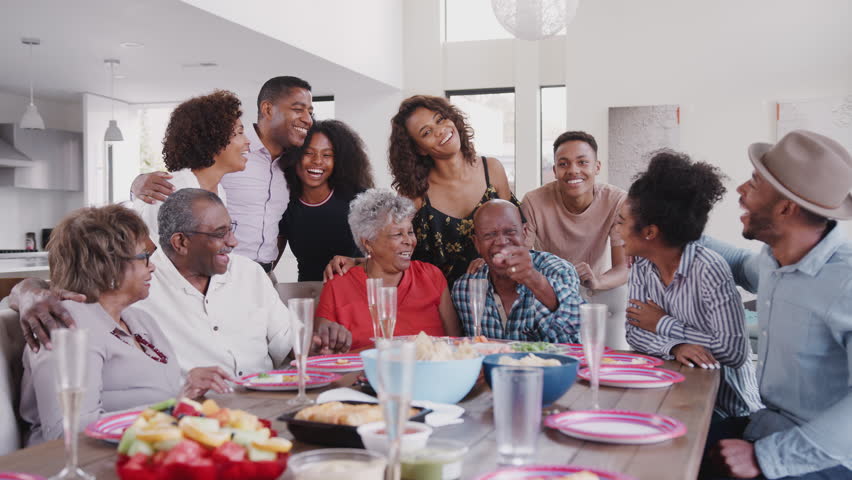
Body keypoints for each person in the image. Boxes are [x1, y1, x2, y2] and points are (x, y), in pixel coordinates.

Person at [12, 189, 351, 373]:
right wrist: (27, 292)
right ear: (180, 243)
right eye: (220, 234)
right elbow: (69, 288)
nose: (233, 242)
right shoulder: (134, 281)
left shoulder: (248, 273)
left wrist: (317, 342)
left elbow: (289, 343)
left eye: (231, 229)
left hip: (261, 402)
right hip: (192, 415)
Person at [699, 130, 852, 480]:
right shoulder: (774, 259)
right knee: (673, 443)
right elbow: (741, 265)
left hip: (826, 457)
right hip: (769, 424)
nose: (741, 190)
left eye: (753, 183)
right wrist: (681, 227)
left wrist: (766, 458)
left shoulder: (846, 282)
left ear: (785, 208)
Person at [19, 205, 228, 445]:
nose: (153, 266)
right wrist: (168, 412)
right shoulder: (65, 324)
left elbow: (147, 397)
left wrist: (185, 391)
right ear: (107, 265)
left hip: (143, 449)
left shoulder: (140, 320)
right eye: (144, 256)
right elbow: (64, 432)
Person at [619, 151, 762, 420]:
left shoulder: (709, 267)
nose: (617, 231)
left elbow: (734, 351)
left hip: (731, 411)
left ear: (650, 232)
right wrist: (675, 347)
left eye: (621, 222)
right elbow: (634, 333)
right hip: (669, 399)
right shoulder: (641, 265)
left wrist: (662, 324)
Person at [325, 95, 517, 286]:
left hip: (496, 292)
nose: (441, 131)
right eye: (426, 132)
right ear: (419, 149)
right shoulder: (415, 194)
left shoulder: (492, 169)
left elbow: (515, 233)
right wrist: (357, 262)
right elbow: (392, 248)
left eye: (441, 119)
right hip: (438, 300)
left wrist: (491, 259)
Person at [131, 76, 314, 275]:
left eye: (310, 111)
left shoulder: (292, 164)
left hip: (253, 275)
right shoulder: (183, 185)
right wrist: (137, 184)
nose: (307, 119)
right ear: (268, 109)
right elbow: (144, 250)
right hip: (212, 277)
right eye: (298, 109)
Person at [316, 189, 461, 350]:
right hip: (365, 374)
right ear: (368, 242)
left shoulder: (432, 276)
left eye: (410, 232)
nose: (409, 241)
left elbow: (456, 345)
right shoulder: (337, 286)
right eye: (397, 234)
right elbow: (323, 356)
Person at [452, 199, 584, 342]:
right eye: (489, 235)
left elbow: (579, 326)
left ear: (525, 232)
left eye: (510, 232)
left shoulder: (557, 270)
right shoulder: (465, 290)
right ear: (477, 244)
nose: (501, 241)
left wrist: (533, 279)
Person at [133, 90, 249, 245]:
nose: (247, 141)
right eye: (240, 133)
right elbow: (148, 256)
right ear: (214, 139)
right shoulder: (167, 192)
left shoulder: (219, 191)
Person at [521, 131, 627, 292]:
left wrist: (597, 282)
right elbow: (521, 259)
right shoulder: (533, 202)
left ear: (597, 167)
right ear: (555, 170)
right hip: (549, 290)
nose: (573, 170)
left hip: (596, 289)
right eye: (563, 164)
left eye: (582, 162)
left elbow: (623, 267)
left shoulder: (616, 201)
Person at [278, 119, 375, 281]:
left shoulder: (361, 199)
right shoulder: (284, 203)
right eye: (308, 153)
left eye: (327, 155)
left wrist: (357, 263)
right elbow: (269, 259)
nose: (317, 161)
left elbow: (387, 260)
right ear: (294, 156)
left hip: (355, 293)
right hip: (308, 293)